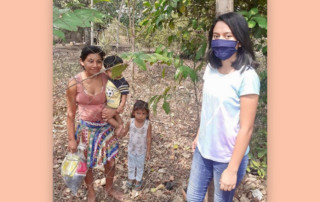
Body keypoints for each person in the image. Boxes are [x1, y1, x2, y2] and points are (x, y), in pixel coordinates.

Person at [186, 12, 260, 202]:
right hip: (203, 151)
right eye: (216, 36)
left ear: (240, 41)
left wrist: (232, 169)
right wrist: (199, 133)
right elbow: (209, 108)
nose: (220, 40)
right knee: (193, 198)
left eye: (228, 36)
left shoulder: (247, 76)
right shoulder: (211, 68)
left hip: (228, 157)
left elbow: (246, 127)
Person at [66, 45, 124, 202]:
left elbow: (118, 99)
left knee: (110, 160)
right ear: (81, 61)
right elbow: (70, 114)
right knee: (87, 163)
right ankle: (91, 192)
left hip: (106, 128)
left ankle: (109, 188)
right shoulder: (74, 83)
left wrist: (115, 114)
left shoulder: (108, 78)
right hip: (86, 129)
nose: (95, 65)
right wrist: (72, 139)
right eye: (90, 61)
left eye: (99, 61)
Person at [122, 100, 152, 190]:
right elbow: (124, 132)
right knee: (131, 165)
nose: (140, 116)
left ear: (147, 114)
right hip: (131, 149)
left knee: (140, 166)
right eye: (138, 113)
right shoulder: (130, 122)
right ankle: (131, 179)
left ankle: (138, 180)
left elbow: (149, 138)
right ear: (133, 113)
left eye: (143, 113)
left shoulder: (147, 124)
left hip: (141, 150)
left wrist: (148, 152)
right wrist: (118, 133)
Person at [103, 55, 129, 137]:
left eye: (119, 70)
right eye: (112, 71)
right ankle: (121, 125)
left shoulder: (122, 82)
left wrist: (122, 105)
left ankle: (118, 126)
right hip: (108, 103)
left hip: (114, 105)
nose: (116, 74)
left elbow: (124, 94)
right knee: (116, 116)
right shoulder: (108, 78)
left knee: (107, 118)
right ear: (106, 72)